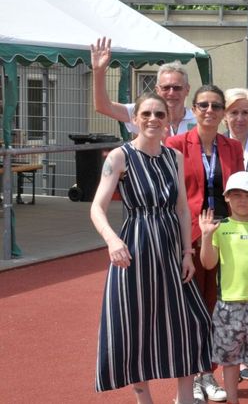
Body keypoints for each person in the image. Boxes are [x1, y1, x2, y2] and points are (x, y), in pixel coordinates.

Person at [90, 92, 211, 403]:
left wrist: (187, 253)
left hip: (170, 249)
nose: (153, 119)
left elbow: (183, 209)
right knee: (135, 326)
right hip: (136, 249)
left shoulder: (174, 157)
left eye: (159, 114)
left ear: (168, 119)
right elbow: (96, 208)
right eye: (146, 114)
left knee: (190, 324)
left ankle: (185, 398)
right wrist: (113, 240)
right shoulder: (120, 156)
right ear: (134, 119)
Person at [165, 84, 243, 402]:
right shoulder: (176, 144)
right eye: (203, 105)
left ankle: (207, 372)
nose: (210, 111)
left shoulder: (232, 147)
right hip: (191, 236)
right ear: (194, 110)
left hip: (225, 235)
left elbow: (239, 190)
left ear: (223, 112)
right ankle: (191, 378)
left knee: (216, 305)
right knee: (190, 308)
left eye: (215, 106)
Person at [198, 171, 248, 404]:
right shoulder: (219, 229)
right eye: (236, 195)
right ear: (227, 198)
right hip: (227, 306)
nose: (242, 200)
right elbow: (208, 263)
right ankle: (233, 400)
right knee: (229, 360)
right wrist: (205, 237)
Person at [91, 37, 196, 137]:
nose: (171, 93)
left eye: (177, 88)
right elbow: (103, 106)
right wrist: (98, 71)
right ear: (157, 90)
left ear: (187, 90)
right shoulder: (144, 113)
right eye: (166, 88)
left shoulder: (198, 120)